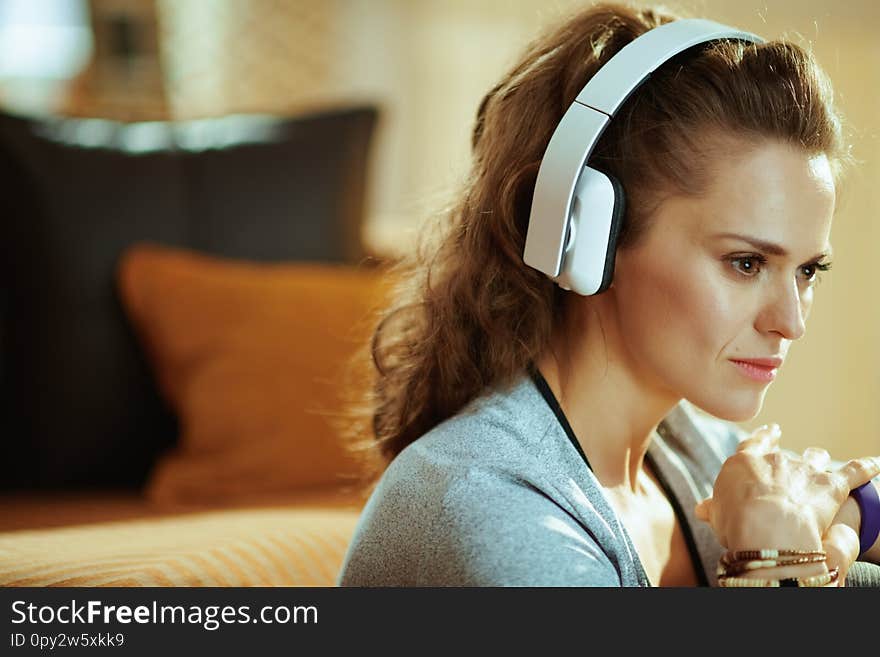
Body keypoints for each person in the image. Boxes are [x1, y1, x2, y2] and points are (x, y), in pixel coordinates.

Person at [337, 1, 880, 587]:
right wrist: (775, 563)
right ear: (588, 239)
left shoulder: (689, 452)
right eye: (746, 263)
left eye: (808, 271)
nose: (790, 322)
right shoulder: (493, 513)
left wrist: (853, 516)